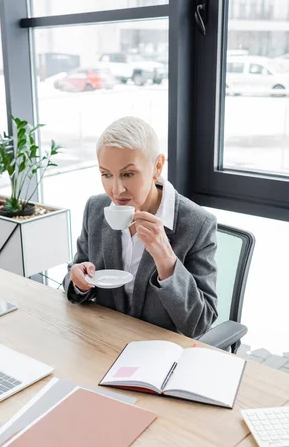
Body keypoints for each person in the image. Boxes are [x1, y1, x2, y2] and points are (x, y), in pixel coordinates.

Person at [63, 116, 218, 338]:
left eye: (128, 174)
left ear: (157, 167)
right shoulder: (96, 209)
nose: (116, 190)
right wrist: (79, 282)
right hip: (103, 339)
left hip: (160, 351)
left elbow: (199, 324)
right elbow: (73, 277)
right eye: (106, 174)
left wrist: (166, 261)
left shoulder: (197, 225)